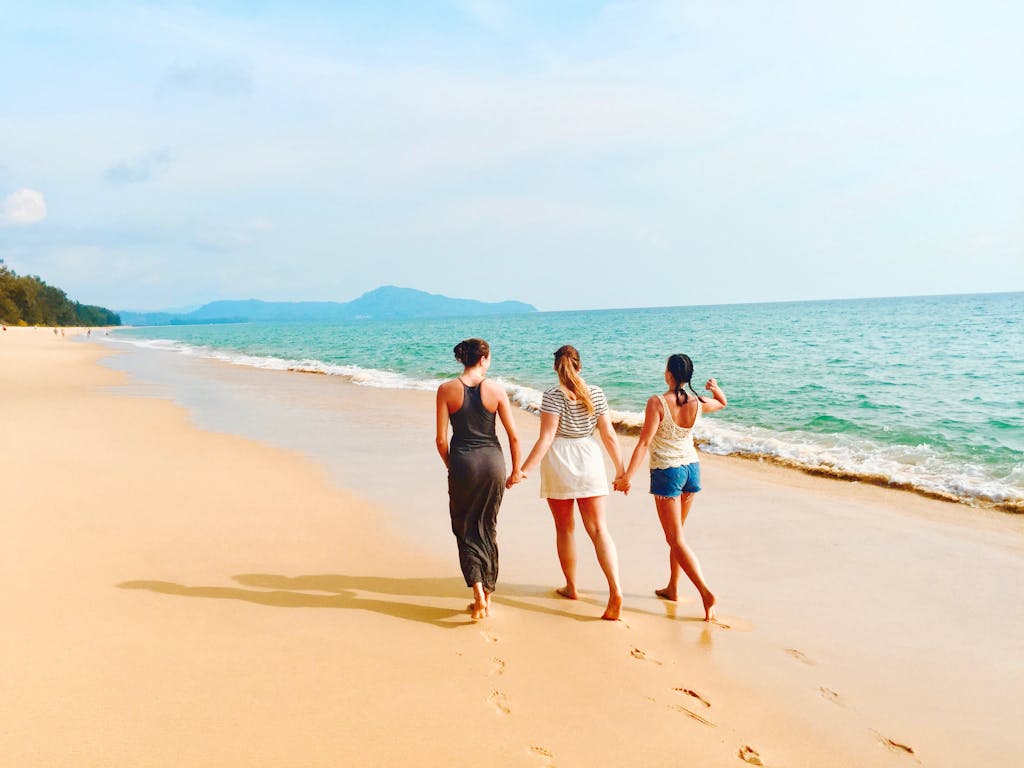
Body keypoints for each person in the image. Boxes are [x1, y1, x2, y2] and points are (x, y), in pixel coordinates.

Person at [509, 345, 626, 621]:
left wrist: (523, 469)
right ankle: (615, 589)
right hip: (589, 458)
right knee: (599, 530)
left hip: (560, 461)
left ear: (555, 368)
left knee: (565, 529)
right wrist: (621, 471)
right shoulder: (596, 393)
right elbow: (609, 435)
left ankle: (572, 587)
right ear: (580, 366)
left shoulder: (551, 395)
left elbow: (547, 437)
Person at [617, 354, 727, 622]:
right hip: (691, 470)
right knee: (678, 538)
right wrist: (714, 388)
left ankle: (705, 593)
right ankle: (673, 588)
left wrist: (626, 477)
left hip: (668, 472)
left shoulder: (657, 402)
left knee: (675, 539)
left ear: (669, 374)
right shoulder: (697, 402)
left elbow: (644, 442)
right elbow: (723, 403)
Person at [435, 338, 522, 620]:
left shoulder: (446, 390)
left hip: (463, 463)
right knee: (488, 526)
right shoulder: (496, 390)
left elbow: (440, 440)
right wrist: (516, 470)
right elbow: (514, 436)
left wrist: (452, 465)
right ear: (484, 359)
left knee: (464, 526)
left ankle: (478, 593)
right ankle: (489, 592)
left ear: (463, 359)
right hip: (492, 464)